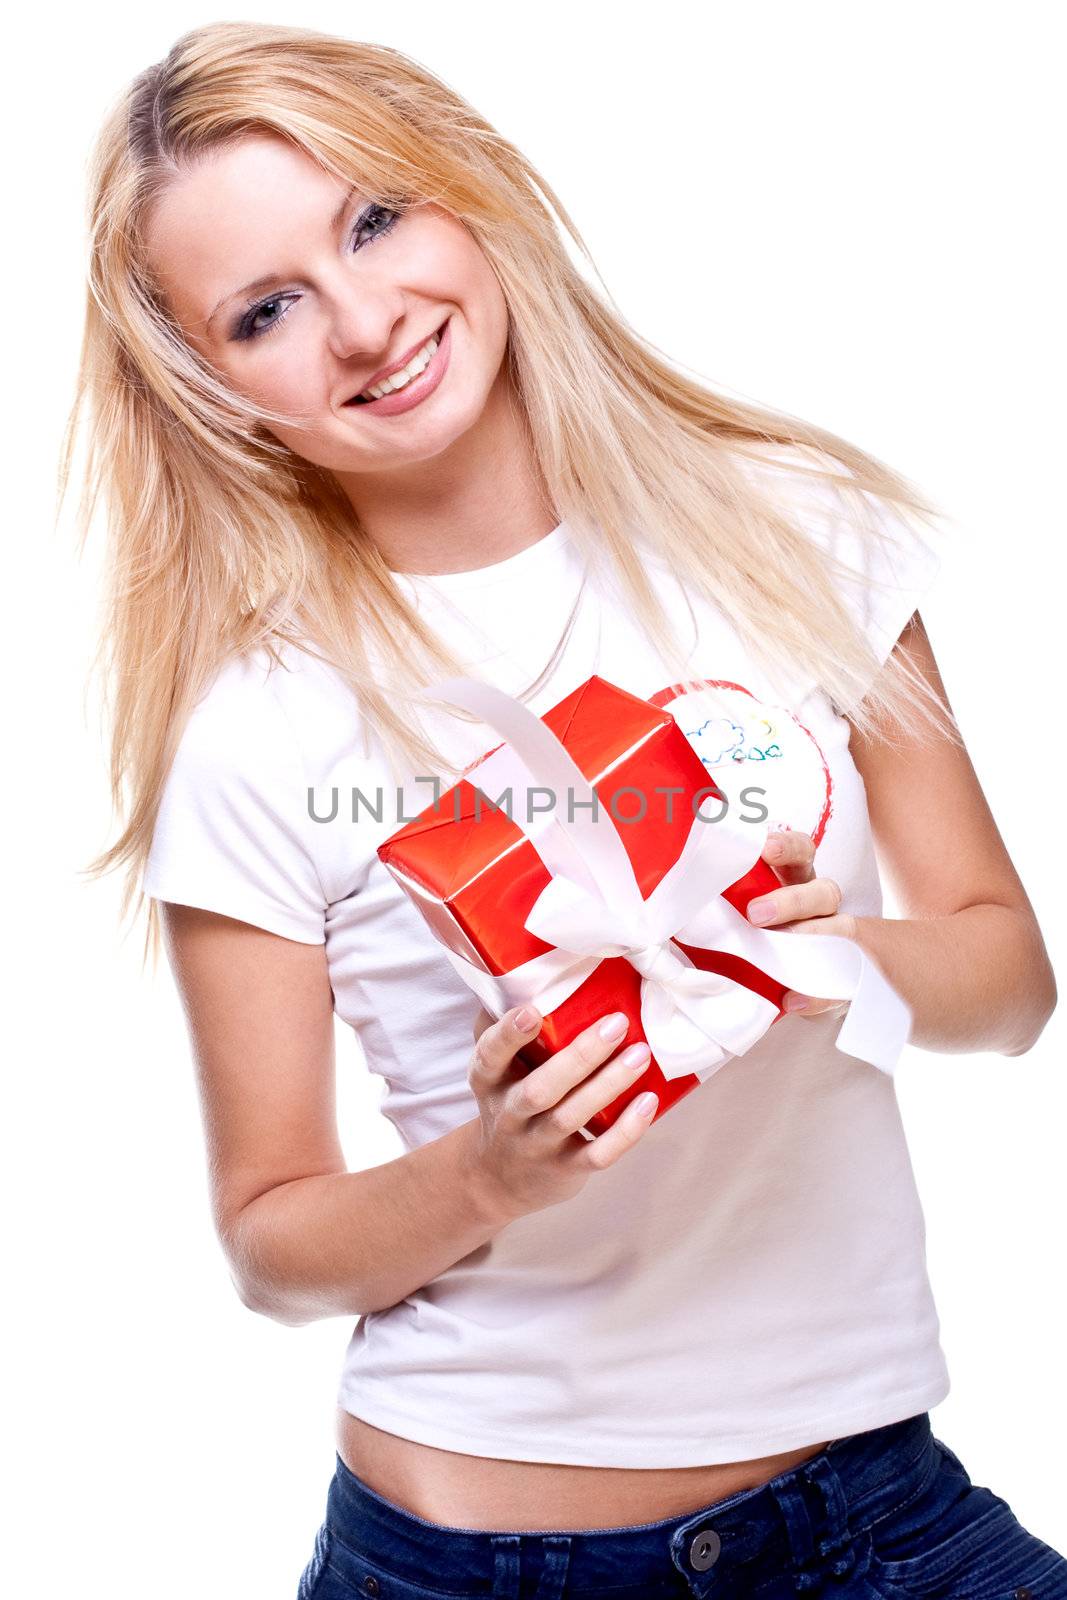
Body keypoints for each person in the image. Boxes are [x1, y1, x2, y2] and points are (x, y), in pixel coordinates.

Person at [66, 20, 1065, 1600]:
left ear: (468, 192)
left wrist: (842, 957)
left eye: (375, 219)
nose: (364, 321)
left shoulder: (796, 531)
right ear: (216, 390)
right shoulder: (258, 727)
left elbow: (1008, 981)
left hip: (877, 1516)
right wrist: (491, 1172)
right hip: (474, 1557)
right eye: (267, 310)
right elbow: (268, 1240)